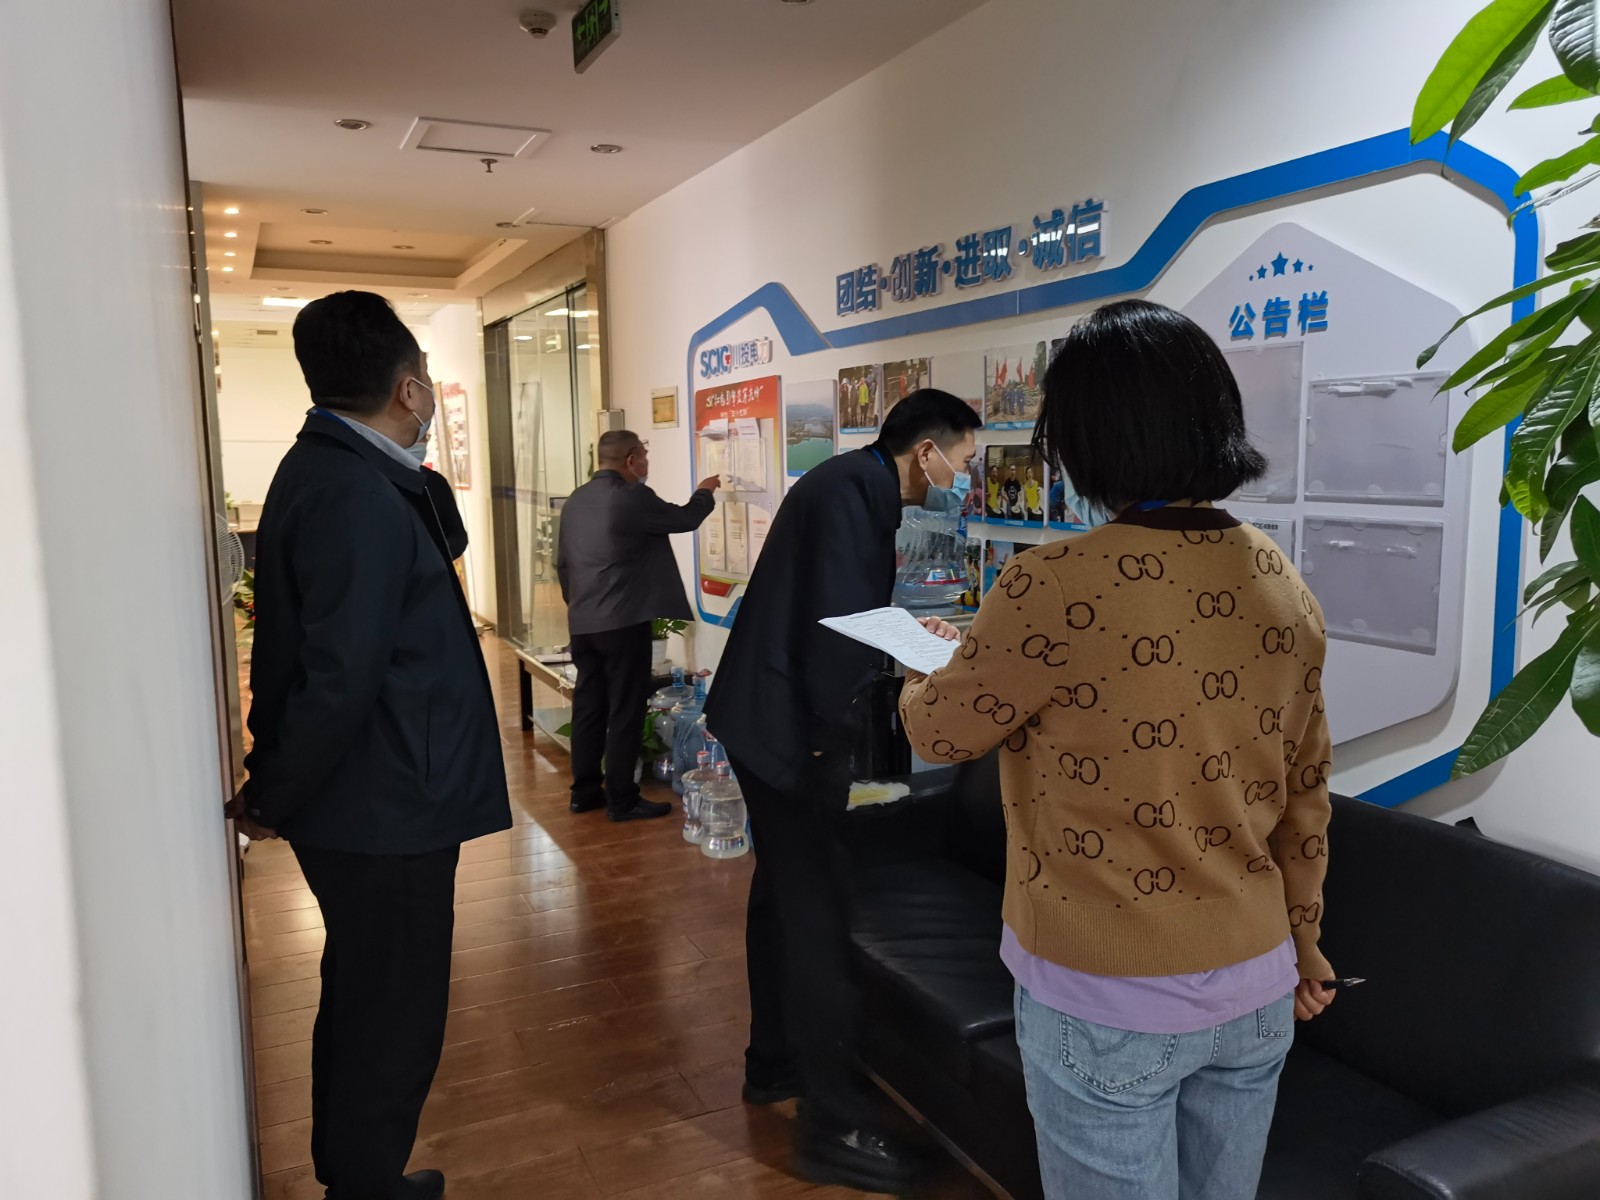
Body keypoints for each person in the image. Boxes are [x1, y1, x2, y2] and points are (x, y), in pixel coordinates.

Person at [900, 300, 1334, 1200]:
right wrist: (1306, 942)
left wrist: (921, 668)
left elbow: (939, 730)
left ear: (1087, 439)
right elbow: (1307, 793)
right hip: (1258, 983)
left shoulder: (1052, 583)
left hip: (1107, 997)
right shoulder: (1280, 579)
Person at [229, 291, 511, 1200]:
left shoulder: (347, 470)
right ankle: (364, 1185)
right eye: (423, 381)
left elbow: (432, 553)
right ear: (409, 390)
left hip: (383, 794)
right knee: (391, 1011)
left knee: (368, 994)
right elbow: (340, 675)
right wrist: (272, 793)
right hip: (384, 806)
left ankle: (357, 1173)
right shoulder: (351, 491)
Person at [704, 389, 980, 1192]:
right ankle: (835, 1126)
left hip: (770, 719)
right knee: (817, 915)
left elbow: (848, 612)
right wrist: (830, 749)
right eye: (963, 461)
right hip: (786, 731)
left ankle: (774, 1065)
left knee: (783, 900)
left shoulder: (852, 486)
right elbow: (834, 629)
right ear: (926, 452)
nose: (963, 478)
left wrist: (911, 637)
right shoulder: (851, 493)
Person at [556, 431, 718, 820]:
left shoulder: (576, 499)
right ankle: (622, 800)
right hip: (622, 621)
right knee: (626, 709)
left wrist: (579, 605)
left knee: (589, 707)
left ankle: (584, 793)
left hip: (583, 622)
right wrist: (705, 492)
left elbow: (562, 564)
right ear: (631, 460)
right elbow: (685, 518)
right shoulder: (631, 497)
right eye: (644, 456)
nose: (646, 464)